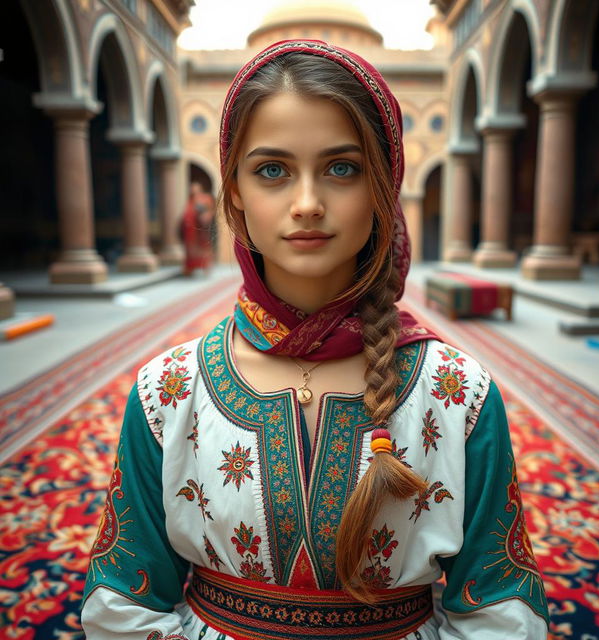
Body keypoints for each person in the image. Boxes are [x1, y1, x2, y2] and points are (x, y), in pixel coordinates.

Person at [82, 40, 549, 639]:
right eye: (272, 170)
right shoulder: (167, 392)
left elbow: (499, 607)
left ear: (383, 189)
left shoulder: (459, 395)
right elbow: (125, 596)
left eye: (342, 168)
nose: (307, 204)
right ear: (235, 193)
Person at [181, 181, 215, 276]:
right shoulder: (190, 200)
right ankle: (190, 268)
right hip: (190, 230)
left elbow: (209, 211)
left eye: (195, 187)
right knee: (190, 249)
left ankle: (205, 267)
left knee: (204, 248)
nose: (193, 189)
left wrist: (205, 216)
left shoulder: (205, 198)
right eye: (192, 188)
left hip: (201, 230)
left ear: (200, 189)